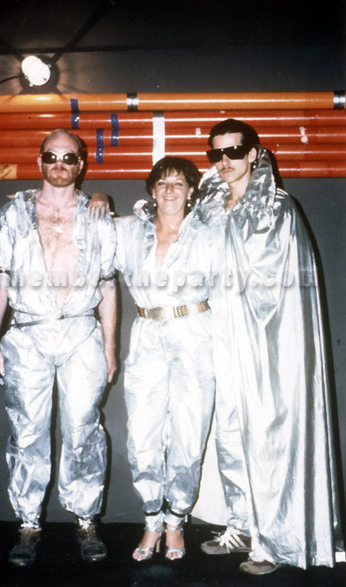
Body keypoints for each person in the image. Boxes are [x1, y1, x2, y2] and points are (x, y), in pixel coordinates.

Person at [193, 119, 345, 574]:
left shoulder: (277, 208)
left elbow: (285, 284)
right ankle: (242, 524)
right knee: (229, 432)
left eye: (234, 151)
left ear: (253, 154)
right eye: (216, 153)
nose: (225, 161)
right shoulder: (210, 204)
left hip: (266, 339)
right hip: (220, 334)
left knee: (268, 431)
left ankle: (278, 540)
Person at [0, 129, 117, 567]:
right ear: (40, 161)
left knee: (83, 427)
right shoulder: (13, 214)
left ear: (82, 164)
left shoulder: (98, 216)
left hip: (81, 331)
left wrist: (110, 347)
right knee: (28, 431)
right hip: (28, 333)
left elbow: (108, 285)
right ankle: (29, 522)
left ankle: (85, 519)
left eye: (69, 157)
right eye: (52, 156)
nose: (60, 164)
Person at [114, 156, 216, 561]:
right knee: (142, 434)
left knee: (189, 432)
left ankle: (176, 520)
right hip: (147, 335)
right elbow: (83, 225)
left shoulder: (210, 232)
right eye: (162, 183)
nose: (170, 190)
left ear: (191, 191)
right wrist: (98, 196)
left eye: (178, 183)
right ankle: (152, 518)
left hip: (194, 332)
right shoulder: (128, 231)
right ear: (152, 191)